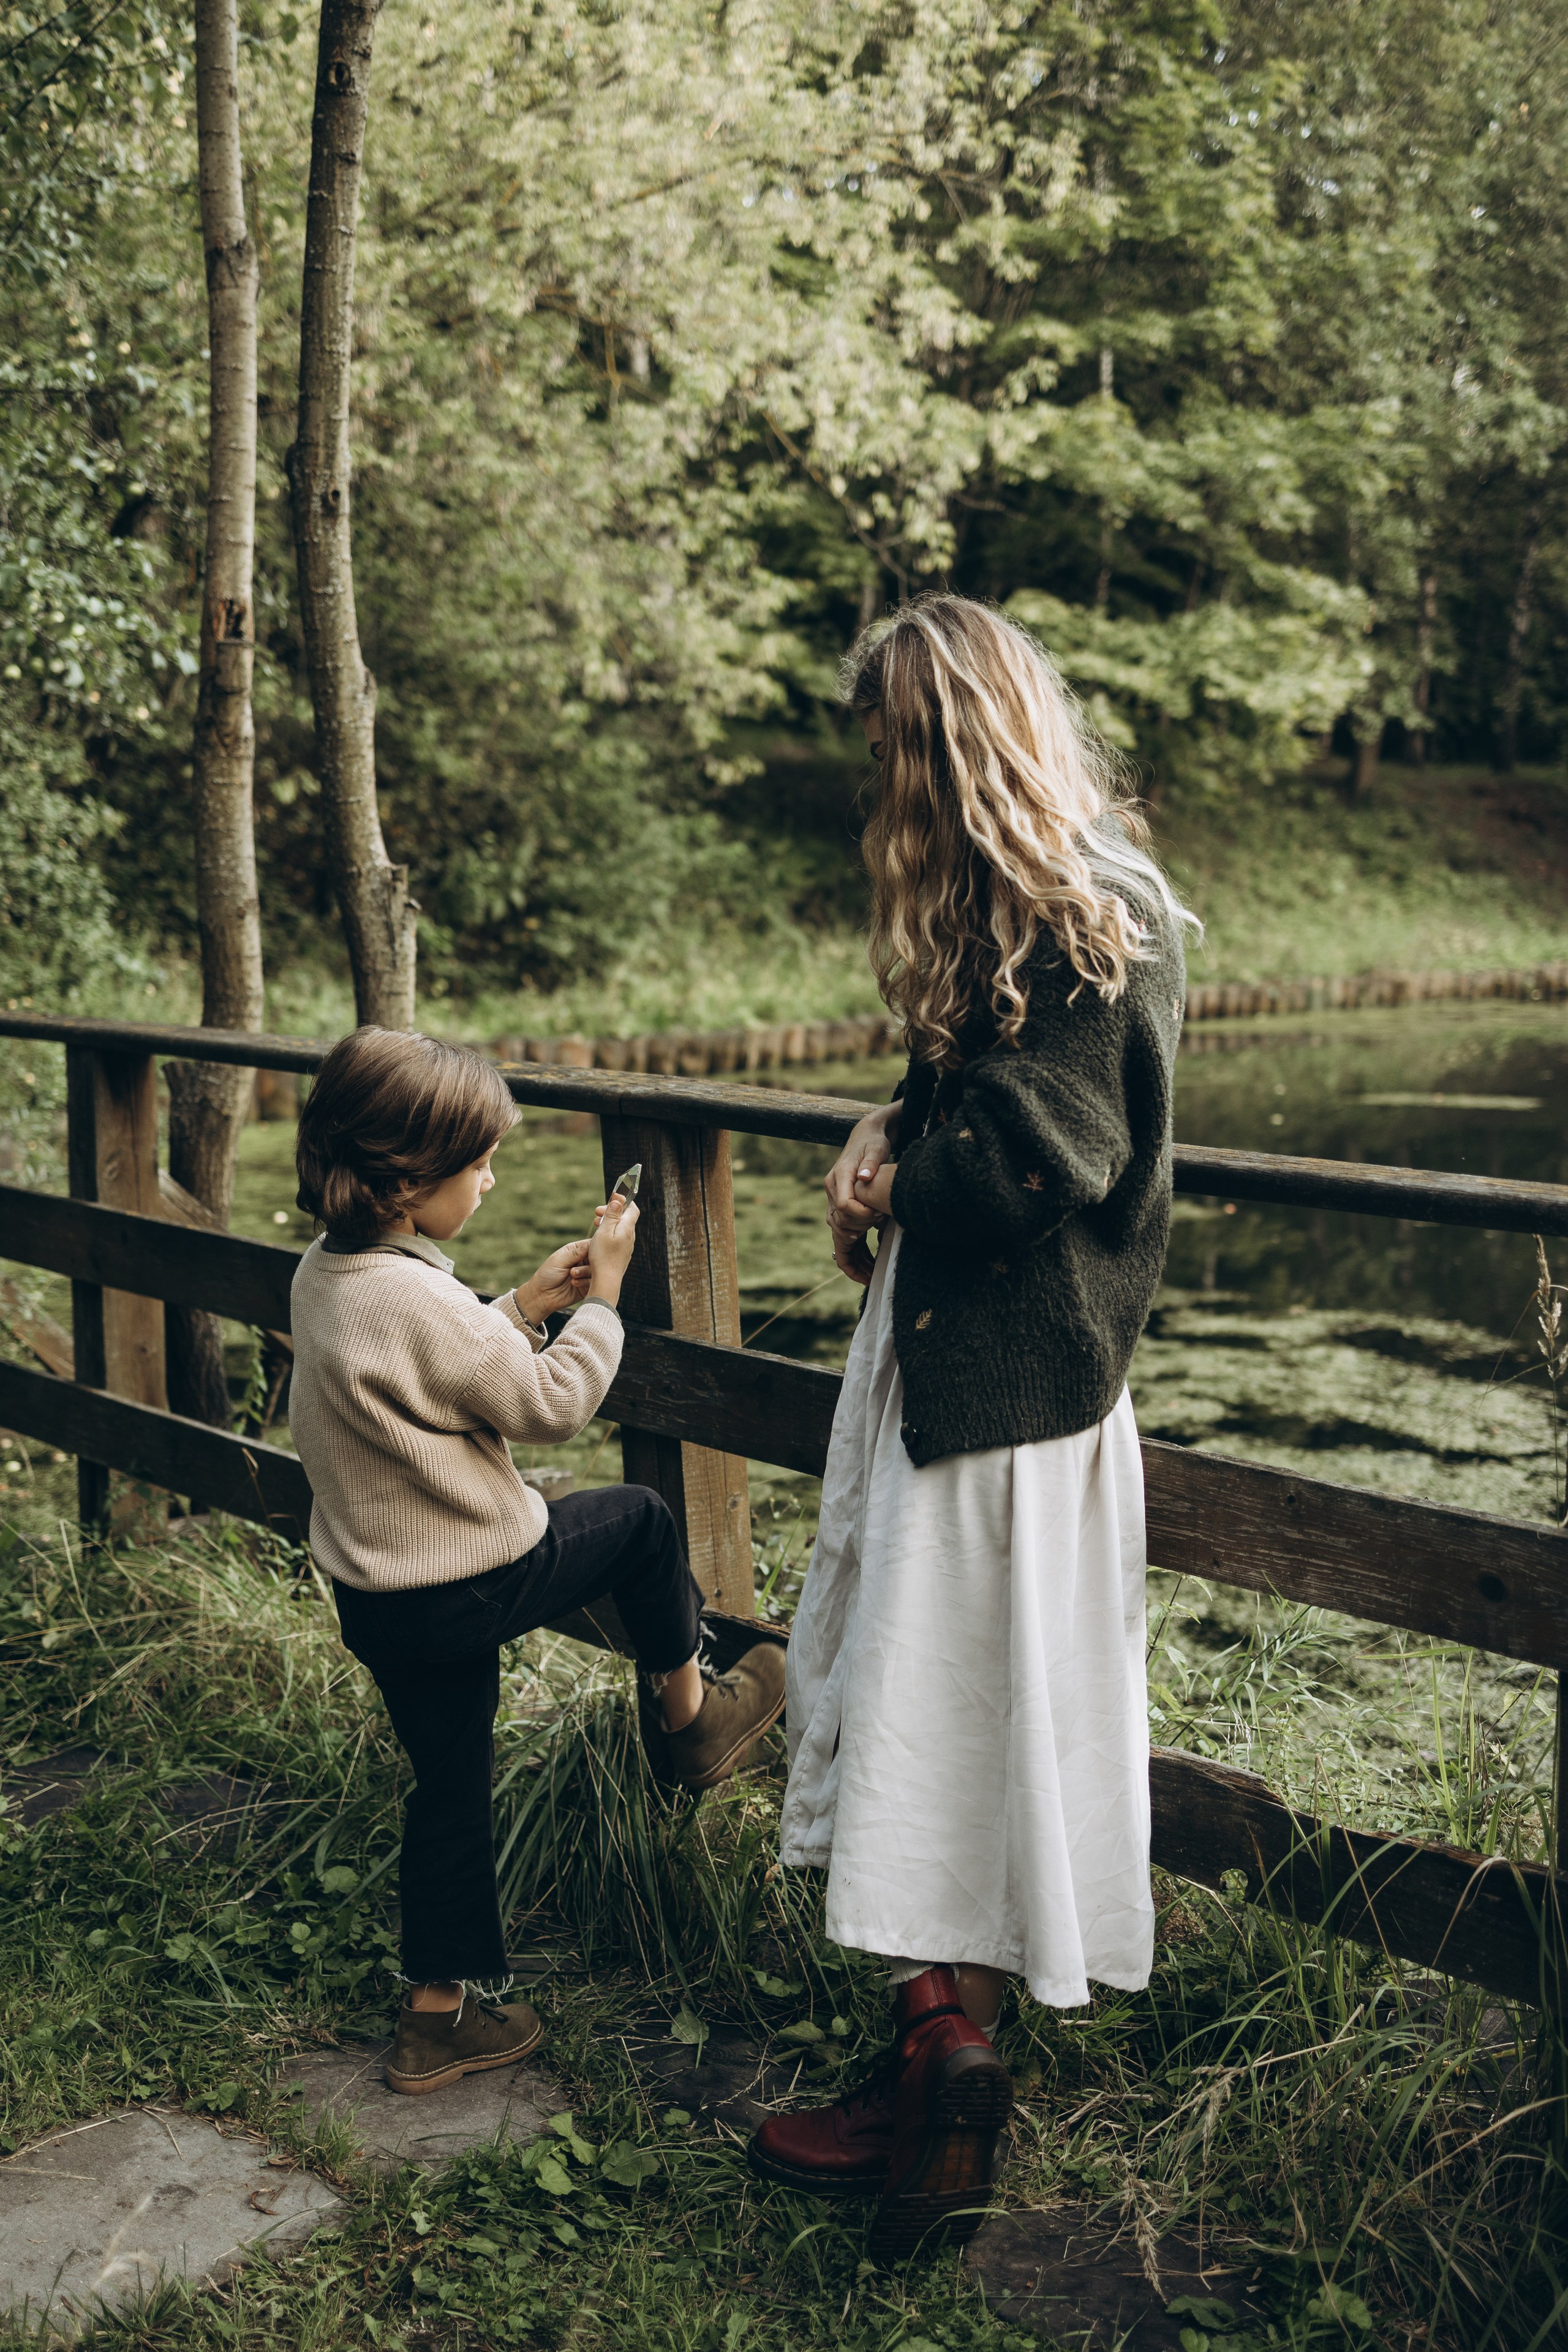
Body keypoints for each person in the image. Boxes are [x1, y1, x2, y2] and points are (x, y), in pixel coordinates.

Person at [748, 595, 1198, 2262]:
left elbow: (1032, 1159)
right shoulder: (1029, 909)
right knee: (939, 1716)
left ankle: (937, 2069)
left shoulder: (1091, 917)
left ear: (954, 747)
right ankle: (940, 2067)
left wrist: (897, 1180)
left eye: (895, 754)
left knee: (936, 1716)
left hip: (1003, 1403)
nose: (885, 788)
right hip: (972, 1382)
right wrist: (889, 1119)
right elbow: (980, 1101)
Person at [288, 1026, 785, 2095]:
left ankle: (436, 2021)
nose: (490, 1180)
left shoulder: (326, 1273)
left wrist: (520, 1307)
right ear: (405, 1183)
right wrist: (602, 1299)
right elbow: (553, 1403)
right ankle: (695, 1720)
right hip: (467, 1581)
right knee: (640, 1521)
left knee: (449, 1787)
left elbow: (430, 1369)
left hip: (378, 1597)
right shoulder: (419, 1300)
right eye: (477, 1166)